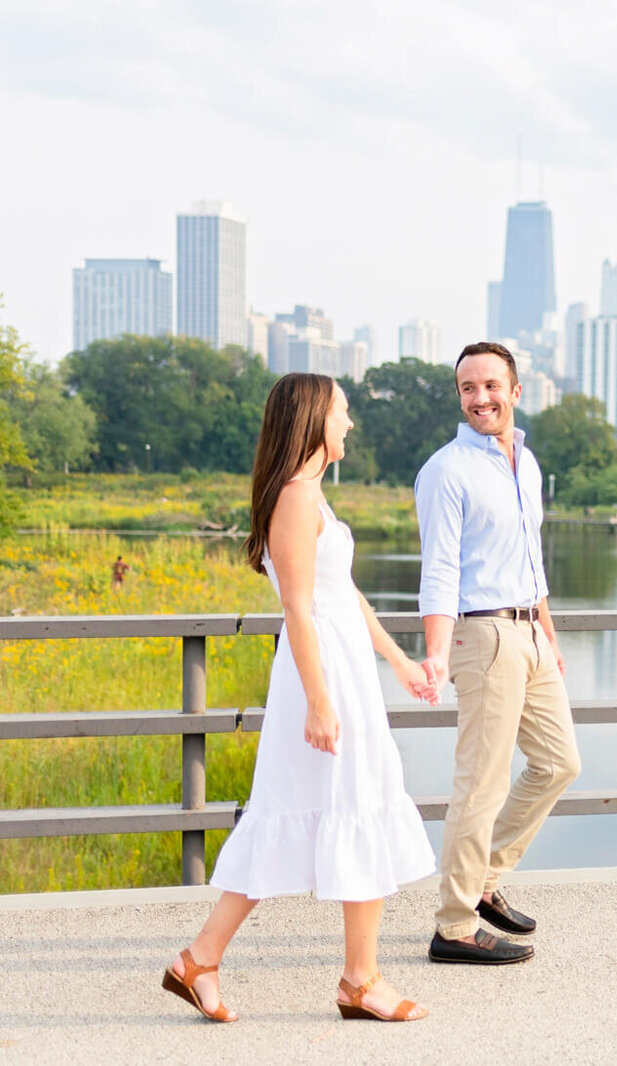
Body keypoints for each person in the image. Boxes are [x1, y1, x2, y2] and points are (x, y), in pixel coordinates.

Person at [161, 373, 437, 1024]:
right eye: (344, 412)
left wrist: (397, 660)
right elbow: (298, 609)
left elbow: (345, 597)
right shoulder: (294, 497)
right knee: (326, 808)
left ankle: (201, 960)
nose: (351, 424)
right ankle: (358, 980)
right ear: (314, 418)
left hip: (346, 674)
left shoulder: (315, 496)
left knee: (345, 806)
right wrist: (319, 701)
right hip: (320, 678)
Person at [415, 341, 581, 966]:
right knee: (479, 786)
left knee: (560, 762)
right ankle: (454, 926)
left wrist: (548, 632)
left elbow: (531, 560)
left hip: (530, 635)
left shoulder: (526, 463)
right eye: (466, 388)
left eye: (490, 386)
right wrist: (436, 654)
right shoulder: (447, 470)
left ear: (515, 391)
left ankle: (484, 880)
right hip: (482, 636)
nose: (479, 398)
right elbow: (439, 570)